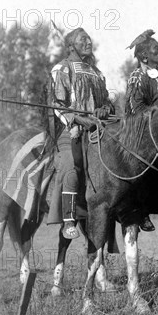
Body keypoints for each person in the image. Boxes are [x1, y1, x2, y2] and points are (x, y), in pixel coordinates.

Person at [47, 28, 115, 239]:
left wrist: (105, 109)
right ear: (71, 46)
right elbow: (58, 105)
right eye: (82, 39)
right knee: (71, 163)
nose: (88, 41)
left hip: (96, 130)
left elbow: (107, 103)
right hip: (72, 129)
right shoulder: (62, 69)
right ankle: (69, 219)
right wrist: (77, 119)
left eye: (88, 38)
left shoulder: (96, 72)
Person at [124, 30, 158, 232]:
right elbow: (134, 109)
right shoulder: (137, 77)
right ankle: (140, 209)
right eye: (156, 50)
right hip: (146, 132)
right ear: (144, 56)